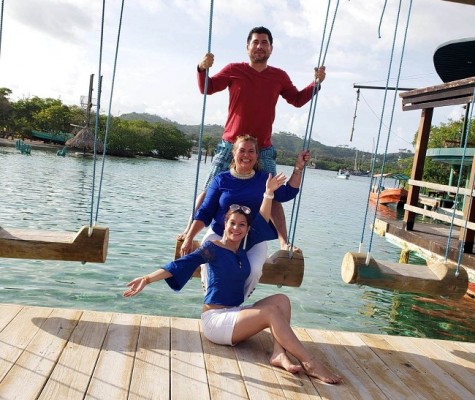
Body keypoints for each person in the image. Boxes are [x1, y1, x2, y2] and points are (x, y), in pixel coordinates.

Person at [124, 174, 341, 384]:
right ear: (224, 224)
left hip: (235, 314)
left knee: (281, 300)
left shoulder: (243, 248)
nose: (236, 228)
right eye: (232, 223)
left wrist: (268, 193)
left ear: (247, 230)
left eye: (242, 225)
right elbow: (178, 266)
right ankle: (310, 362)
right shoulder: (212, 249)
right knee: (271, 312)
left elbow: (264, 217)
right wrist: (147, 278)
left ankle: (278, 352)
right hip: (216, 322)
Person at [180, 26, 326, 251]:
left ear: (271, 48)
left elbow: (296, 99)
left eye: (264, 42)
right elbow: (207, 88)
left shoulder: (279, 76)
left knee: (273, 193)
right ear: (248, 47)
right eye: (255, 42)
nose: (260, 46)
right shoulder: (234, 70)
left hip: (263, 148)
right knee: (210, 188)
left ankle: (284, 242)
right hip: (231, 145)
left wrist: (315, 84)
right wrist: (201, 68)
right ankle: (189, 230)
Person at [181, 134, 310, 299]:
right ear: (234, 153)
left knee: (255, 270)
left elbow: (287, 193)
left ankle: (236, 303)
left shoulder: (264, 179)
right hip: (220, 233)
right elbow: (205, 212)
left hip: (253, 237)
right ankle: (212, 301)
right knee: (208, 262)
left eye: (251, 151)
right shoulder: (221, 180)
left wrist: (298, 168)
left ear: (257, 156)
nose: (246, 155)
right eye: (242, 150)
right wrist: (189, 237)